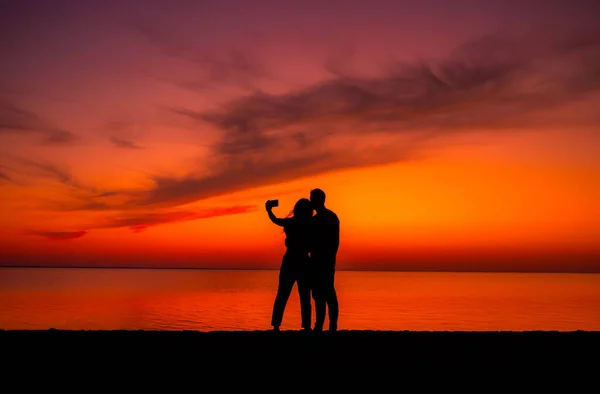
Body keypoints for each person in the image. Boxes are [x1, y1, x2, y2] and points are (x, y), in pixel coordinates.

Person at [266, 198, 313, 331]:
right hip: (303, 261)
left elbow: (275, 220)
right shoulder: (310, 224)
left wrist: (269, 210)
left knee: (283, 294)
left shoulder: (292, 222)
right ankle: (307, 326)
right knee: (304, 296)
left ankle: (276, 325)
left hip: (291, 261)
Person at [309, 188, 340, 332]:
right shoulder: (316, 219)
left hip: (325, 261)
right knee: (318, 294)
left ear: (319, 200)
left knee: (327, 292)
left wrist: (328, 257)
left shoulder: (330, 217)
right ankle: (320, 324)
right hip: (317, 261)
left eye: (312, 199)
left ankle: (331, 324)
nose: (310, 201)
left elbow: (335, 242)